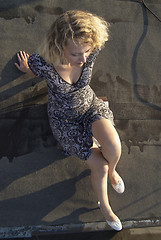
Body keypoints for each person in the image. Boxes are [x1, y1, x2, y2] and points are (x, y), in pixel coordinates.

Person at [15, 10, 125, 231]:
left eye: (86, 51)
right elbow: (34, 70)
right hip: (65, 121)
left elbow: (89, 50)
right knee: (99, 167)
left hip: (89, 105)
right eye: (75, 54)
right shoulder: (45, 62)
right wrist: (27, 68)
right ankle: (104, 206)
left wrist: (84, 51)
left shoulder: (89, 49)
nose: (83, 59)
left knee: (114, 148)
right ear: (59, 46)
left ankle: (114, 171)